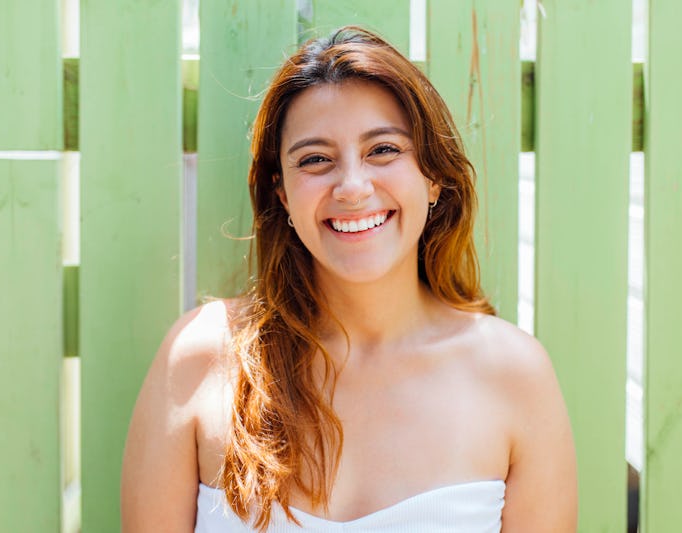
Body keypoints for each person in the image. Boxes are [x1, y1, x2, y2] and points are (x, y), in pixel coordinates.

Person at [121, 26, 577, 532]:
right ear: (282, 194)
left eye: (383, 150)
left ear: (432, 177)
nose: (353, 188)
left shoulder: (514, 375)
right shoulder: (200, 359)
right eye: (315, 159)